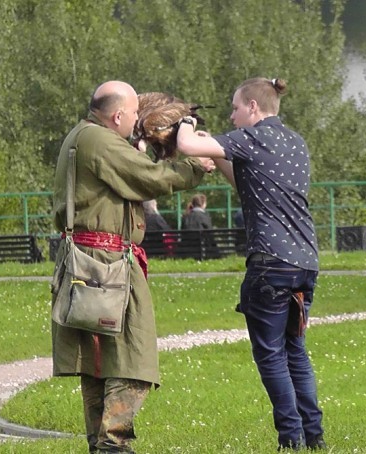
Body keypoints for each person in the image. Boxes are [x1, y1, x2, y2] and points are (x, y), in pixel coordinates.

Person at [51, 80, 214, 453]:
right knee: (134, 359)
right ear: (118, 115)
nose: (139, 118)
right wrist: (194, 167)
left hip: (86, 265)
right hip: (107, 268)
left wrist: (141, 150)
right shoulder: (101, 141)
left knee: (99, 362)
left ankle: (101, 444)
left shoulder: (81, 135)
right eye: (135, 113)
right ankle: (113, 443)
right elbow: (150, 178)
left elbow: (128, 176)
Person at [176, 77, 326, 451]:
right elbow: (248, 185)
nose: (232, 114)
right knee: (295, 350)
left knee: (271, 353)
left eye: (235, 108)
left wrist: (186, 121)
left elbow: (185, 145)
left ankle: (290, 438)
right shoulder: (295, 142)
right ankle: (314, 436)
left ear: (253, 108)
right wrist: (220, 157)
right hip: (305, 260)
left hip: (270, 264)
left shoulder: (252, 137)